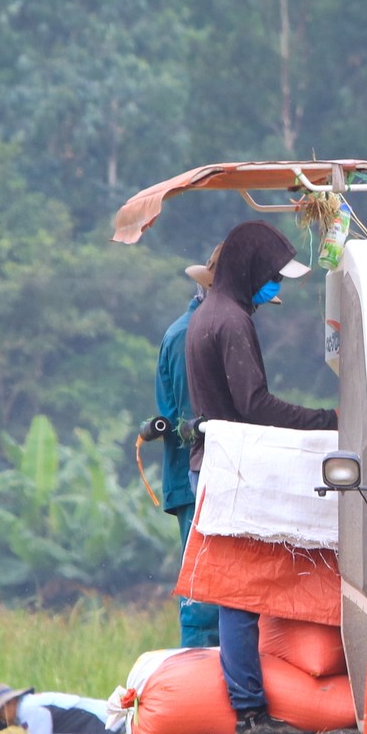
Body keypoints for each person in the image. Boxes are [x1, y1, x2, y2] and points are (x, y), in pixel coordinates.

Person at [185, 220, 336, 734]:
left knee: (237, 596)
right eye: (272, 276)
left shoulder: (206, 314)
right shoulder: (231, 322)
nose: (276, 287)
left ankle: (250, 706)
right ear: (250, 269)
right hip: (232, 466)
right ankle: (250, 713)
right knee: (241, 596)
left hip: (217, 461)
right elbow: (255, 406)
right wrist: (326, 420)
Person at [157, 256, 219, 648]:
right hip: (192, 478)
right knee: (203, 592)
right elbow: (187, 418)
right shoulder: (186, 337)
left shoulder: (207, 331)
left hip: (208, 477)